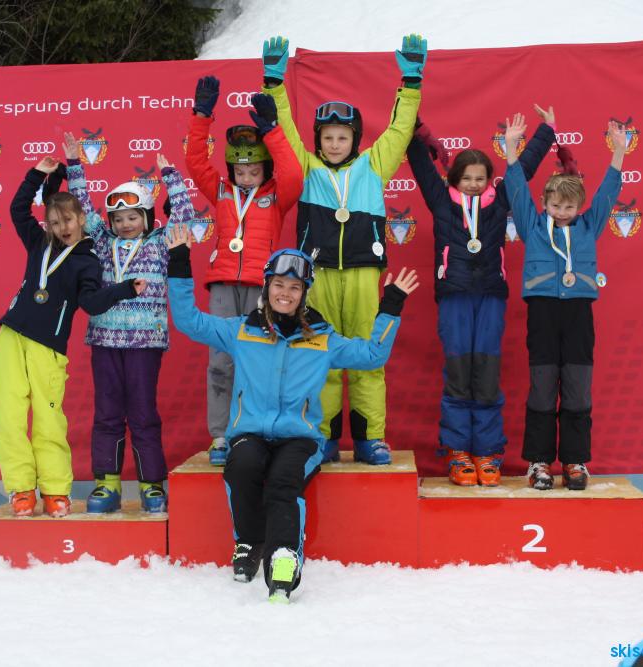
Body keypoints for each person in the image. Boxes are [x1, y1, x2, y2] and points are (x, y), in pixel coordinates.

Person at [166, 226, 418, 602]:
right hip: (251, 430)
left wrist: (392, 304)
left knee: (284, 479)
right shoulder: (242, 331)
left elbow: (371, 355)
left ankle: (284, 557)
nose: (285, 293)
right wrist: (179, 263)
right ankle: (248, 542)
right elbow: (189, 321)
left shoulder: (322, 338)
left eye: (294, 287)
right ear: (267, 286)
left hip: (300, 437)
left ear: (304, 293)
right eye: (279, 284)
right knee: (242, 466)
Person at [260, 34, 427, 465]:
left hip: (363, 274)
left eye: (343, 137)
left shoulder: (374, 166)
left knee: (368, 356)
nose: (335, 144)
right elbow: (284, 134)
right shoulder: (306, 167)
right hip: (317, 278)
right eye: (328, 137)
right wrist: (274, 84)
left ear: (355, 140)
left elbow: (400, 130)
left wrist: (411, 83)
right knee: (321, 358)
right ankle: (323, 437)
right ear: (319, 140)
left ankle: (371, 438)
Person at [407, 106, 556, 486]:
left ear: (490, 179)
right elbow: (420, 164)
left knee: (487, 375)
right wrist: (409, 123)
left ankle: (487, 453)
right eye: (466, 178)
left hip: (490, 295)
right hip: (454, 296)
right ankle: (458, 452)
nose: (473, 184)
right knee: (458, 374)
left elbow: (525, 170)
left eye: (480, 178)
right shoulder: (441, 201)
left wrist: (546, 131)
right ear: (454, 179)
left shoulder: (501, 201)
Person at [0, 154, 145, 518]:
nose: (62, 227)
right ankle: (21, 489)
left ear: (81, 219)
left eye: (68, 220)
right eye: (55, 221)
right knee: (5, 414)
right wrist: (38, 174)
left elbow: (90, 303)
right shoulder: (38, 243)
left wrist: (123, 289)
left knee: (48, 420)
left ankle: (55, 490)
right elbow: (17, 209)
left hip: (48, 347)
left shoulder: (87, 260)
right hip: (11, 336)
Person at [63, 134, 194, 513]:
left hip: (145, 345)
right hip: (105, 341)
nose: (125, 224)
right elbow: (82, 205)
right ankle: (107, 485)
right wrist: (74, 165)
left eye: (133, 217)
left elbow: (184, 215)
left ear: (148, 217)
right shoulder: (102, 242)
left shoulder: (161, 243)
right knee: (107, 414)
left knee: (142, 414)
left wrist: (171, 176)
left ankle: (151, 485)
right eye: (118, 219)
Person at [504, 113, 627, 490]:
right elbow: (516, 190)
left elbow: (607, 194)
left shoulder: (589, 226)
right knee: (542, 388)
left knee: (577, 387)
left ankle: (575, 461)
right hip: (542, 312)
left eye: (569, 208)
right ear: (545, 202)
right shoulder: (533, 226)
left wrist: (618, 152)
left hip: (578, 314)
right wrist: (511, 149)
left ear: (579, 207)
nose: (562, 213)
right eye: (556, 206)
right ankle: (539, 462)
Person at [184, 76, 303, 466]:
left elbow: (294, 174)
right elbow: (195, 161)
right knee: (221, 361)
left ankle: (252, 430)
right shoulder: (221, 192)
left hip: (260, 288)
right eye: (239, 171)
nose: (246, 178)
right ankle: (220, 435)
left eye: (253, 171)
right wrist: (202, 114)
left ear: (264, 170)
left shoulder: (276, 196)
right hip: (223, 285)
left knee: (258, 361)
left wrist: (272, 131)